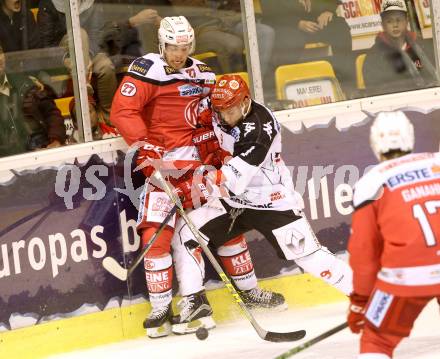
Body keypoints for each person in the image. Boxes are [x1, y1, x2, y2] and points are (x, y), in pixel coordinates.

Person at [109, 16, 283, 338]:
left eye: (185, 46)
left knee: (226, 228)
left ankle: (248, 290)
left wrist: (218, 150)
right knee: (155, 237)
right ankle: (161, 307)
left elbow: (211, 118)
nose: (179, 52)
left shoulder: (204, 73)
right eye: (174, 46)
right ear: (162, 44)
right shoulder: (147, 69)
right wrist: (146, 149)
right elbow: (123, 111)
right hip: (160, 168)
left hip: (199, 170)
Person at [169, 74, 353, 329]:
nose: (226, 116)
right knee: (186, 232)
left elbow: (232, 180)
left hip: (271, 200)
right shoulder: (217, 108)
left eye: (231, 109)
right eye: (221, 110)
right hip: (236, 203)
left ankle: (365, 296)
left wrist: (190, 186)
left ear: (245, 102)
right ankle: (195, 306)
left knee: (308, 255)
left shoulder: (258, 129)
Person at [347, 111, 440, 359]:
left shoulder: (370, 183)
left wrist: (360, 303)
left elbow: (364, 253)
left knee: (377, 340)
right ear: (410, 137)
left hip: (406, 274)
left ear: (375, 143)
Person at [37, 0, 118, 122]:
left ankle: (110, 120)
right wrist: (64, 60)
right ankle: (83, 83)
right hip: (62, 57)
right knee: (79, 33)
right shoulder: (49, 4)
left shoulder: (92, 2)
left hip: (90, 53)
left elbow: (97, 36)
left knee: (106, 66)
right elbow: (46, 45)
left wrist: (89, 55)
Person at [0, 43, 66, 157]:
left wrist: (56, 141)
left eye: (0, 52)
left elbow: (51, 112)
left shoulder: (24, 83)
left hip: (39, 156)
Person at [363, 0, 438, 97]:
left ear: (406, 21)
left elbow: (433, 78)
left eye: (399, 20)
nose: (395, 25)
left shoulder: (421, 47)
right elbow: (374, 91)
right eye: (389, 21)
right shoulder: (374, 56)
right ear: (383, 25)